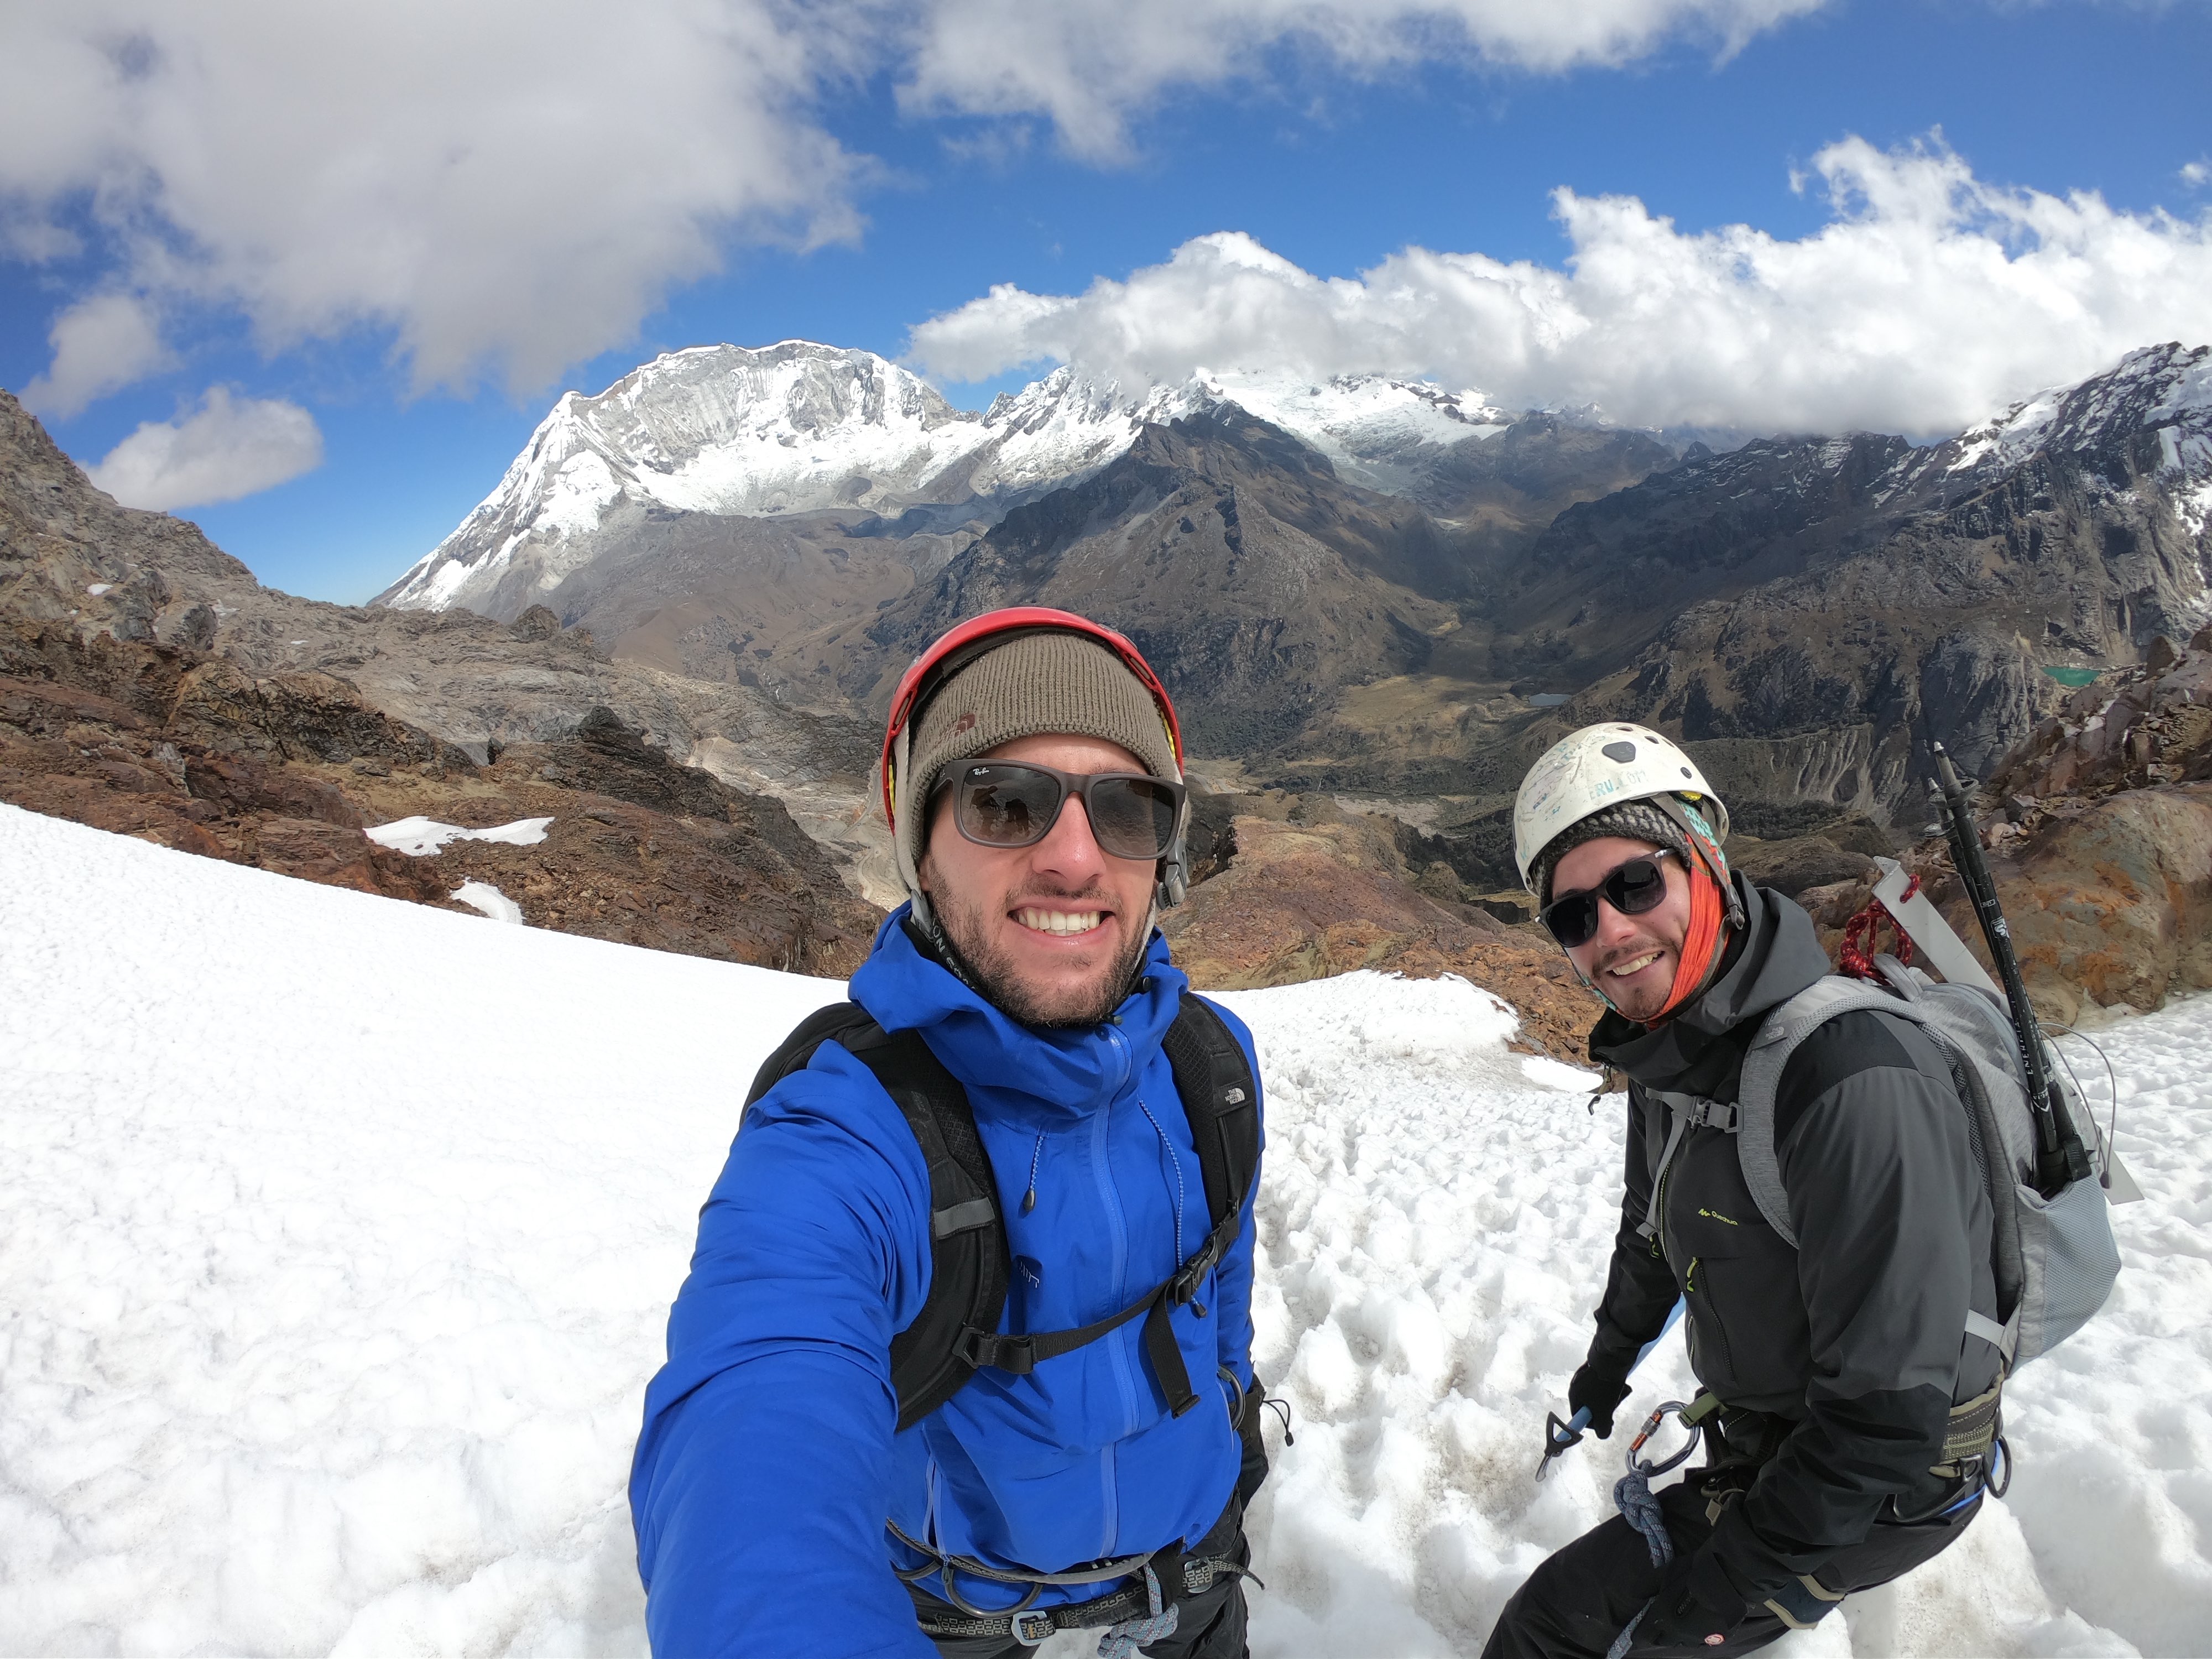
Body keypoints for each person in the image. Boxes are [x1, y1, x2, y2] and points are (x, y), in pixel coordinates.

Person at [629, 607, 1269, 1658]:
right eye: (1004, 803)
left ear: (1166, 857)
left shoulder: (1211, 1062)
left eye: (1128, 809)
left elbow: (1222, 1284)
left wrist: (1233, 1439)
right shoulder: (848, 1129)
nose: (1074, 860)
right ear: (920, 850)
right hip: (962, 1619)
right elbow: (752, 1426)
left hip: (1191, 1579)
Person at [1484, 723, 2000, 1658]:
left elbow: (1885, 1419)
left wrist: (1709, 1603)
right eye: (1572, 917)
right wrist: (1606, 1368)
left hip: (1888, 1482)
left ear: (1707, 864)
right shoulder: (1672, 1055)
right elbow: (1650, 1228)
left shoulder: (1849, 1077)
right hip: (1777, 1443)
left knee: (1558, 1633)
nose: (1610, 931)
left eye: (1635, 883)